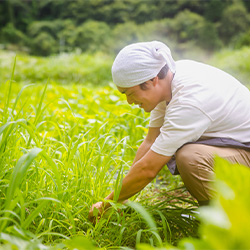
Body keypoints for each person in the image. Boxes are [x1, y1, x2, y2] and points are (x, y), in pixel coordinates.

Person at [88, 41, 250, 222]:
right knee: (185, 154)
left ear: (152, 81)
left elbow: (149, 169)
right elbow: (150, 142)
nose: (129, 101)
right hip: (235, 147)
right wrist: (122, 198)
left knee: (191, 158)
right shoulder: (169, 83)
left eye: (129, 93)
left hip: (245, 151)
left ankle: (226, 223)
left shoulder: (189, 101)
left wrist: (106, 204)